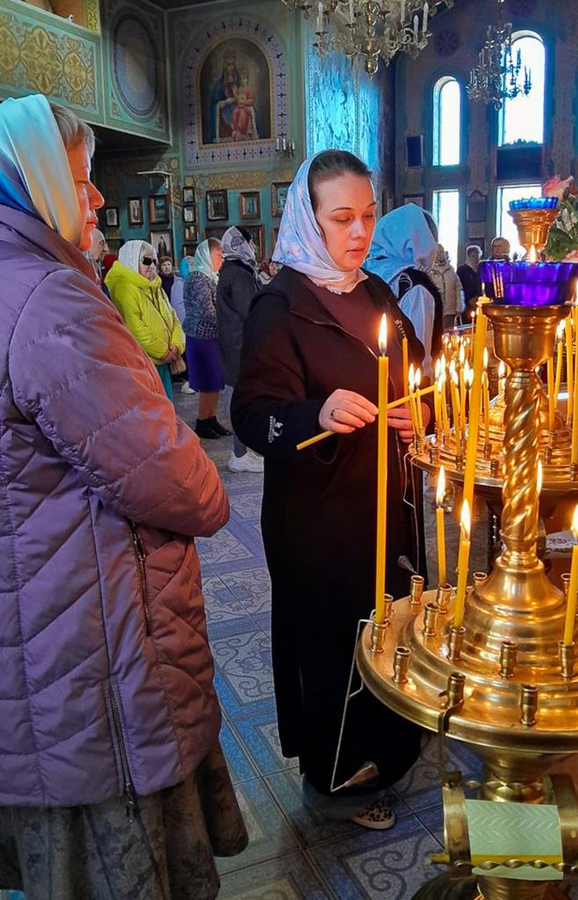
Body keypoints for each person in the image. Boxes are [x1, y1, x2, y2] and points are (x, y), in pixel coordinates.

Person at [0, 94, 246, 900]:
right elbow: (179, 482)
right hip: (92, 636)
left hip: (36, 620)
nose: (100, 197)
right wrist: (205, 477)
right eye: (81, 179)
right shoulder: (50, 299)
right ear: (36, 183)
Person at [232, 150, 428, 830]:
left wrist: (423, 412)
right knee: (333, 644)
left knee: (391, 629)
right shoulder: (281, 306)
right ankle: (337, 778)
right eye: (342, 218)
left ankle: (392, 752)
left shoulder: (375, 294)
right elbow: (251, 414)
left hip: (388, 507)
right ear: (308, 219)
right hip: (317, 520)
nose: (360, 232)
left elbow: (418, 376)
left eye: (368, 215)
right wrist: (314, 413)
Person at [367, 203, 443, 376]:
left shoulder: (364, 271)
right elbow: (419, 353)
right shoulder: (414, 286)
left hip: (367, 376)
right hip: (402, 383)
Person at [105, 241, 185, 399]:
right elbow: (135, 327)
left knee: (166, 404)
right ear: (132, 261)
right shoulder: (123, 287)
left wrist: (177, 344)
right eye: (147, 261)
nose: (152, 266)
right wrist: (164, 352)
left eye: (154, 261)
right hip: (144, 362)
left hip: (162, 360)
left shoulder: (154, 285)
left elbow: (173, 316)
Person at [217, 225, 264, 473]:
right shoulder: (238, 274)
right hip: (240, 346)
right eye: (251, 242)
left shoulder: (233, 269)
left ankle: (244, 450)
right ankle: (239, 455)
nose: (253, 247)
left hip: (234, 344)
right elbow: (251, 310)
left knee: (242, 397)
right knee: (240, 399)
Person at [183, 239, 231, 439]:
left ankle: (211, 418)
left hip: (212, 336)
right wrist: (228, 322)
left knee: (215, 380)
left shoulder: (210, 276)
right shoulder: (197, 278)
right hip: (201, 337)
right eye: (218, 255)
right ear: (206, 255)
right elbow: (206, 311)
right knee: (207, 380)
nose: (221, 260)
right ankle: (202, 421)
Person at [429, 243, 464, 331]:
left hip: (450, 310)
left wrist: (459, 307)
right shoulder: (429, 271)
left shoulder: (451, 270)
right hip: (435, 310)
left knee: (449, 332)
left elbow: (458, 289)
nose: (439, 254)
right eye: (437, 252)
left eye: (441, 252)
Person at [457, 244, 483, 321]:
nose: (476, 258)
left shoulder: (481, 270)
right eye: (473, 256)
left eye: (477, 256)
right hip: (467, 305)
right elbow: (459, 288)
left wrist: (479, 296)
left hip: (479, 303)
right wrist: (469, 299)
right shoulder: (461, 270)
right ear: (468, 256)